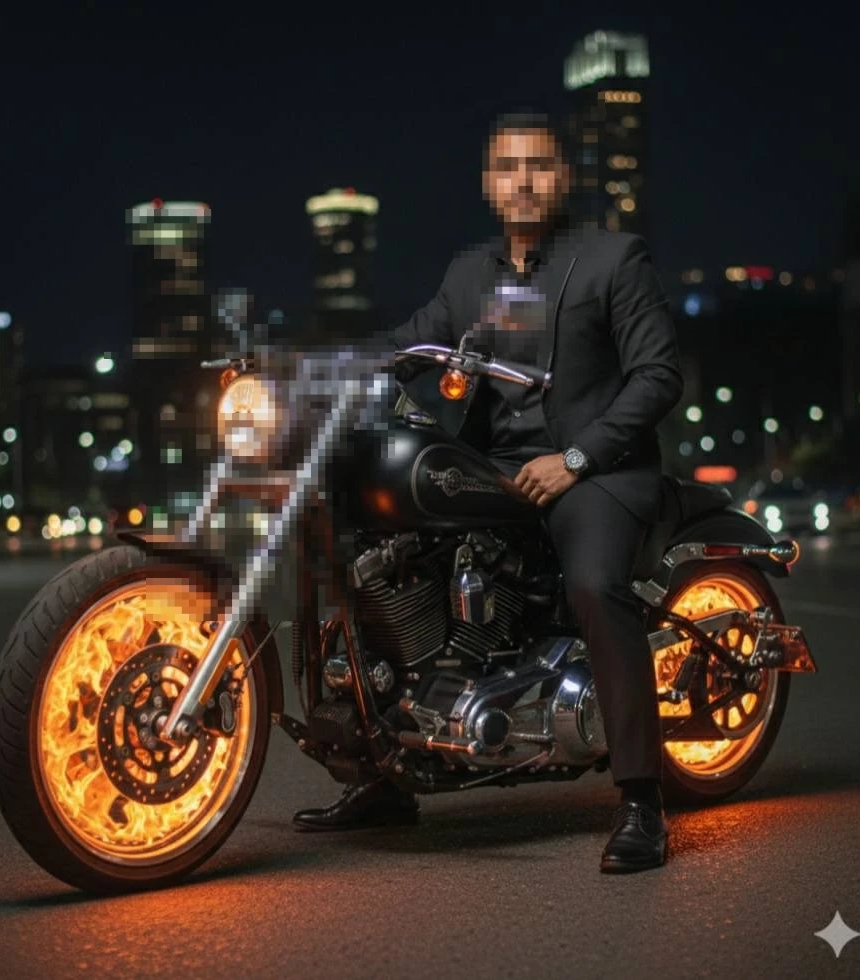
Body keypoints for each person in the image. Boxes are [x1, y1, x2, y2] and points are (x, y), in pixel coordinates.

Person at [293, 110, 684, 874]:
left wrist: (575, 457)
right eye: (508, 168)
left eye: (539, 165)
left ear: (563, 176)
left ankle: (641, 798)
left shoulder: (611, 259)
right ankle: (384, 775)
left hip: (593, 469)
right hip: (490, 468)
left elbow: (656, 376)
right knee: (370, 554)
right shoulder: (471, 274)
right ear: (487, 183)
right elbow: (406, 344)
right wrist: (310, 372)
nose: (524, 181)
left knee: (595, 585)